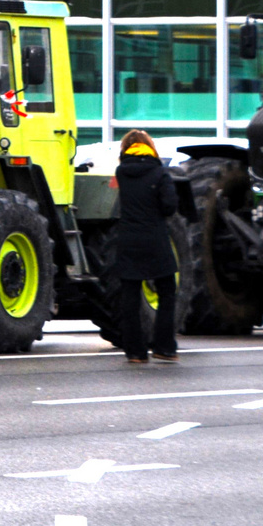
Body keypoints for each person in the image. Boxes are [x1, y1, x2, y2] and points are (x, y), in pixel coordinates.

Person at [112, 130, 180, 365]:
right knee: (167, 291)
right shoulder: (160, 173)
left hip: (129, 239)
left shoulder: (121, 172)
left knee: (130, 296)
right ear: (149, 148)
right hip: (155, 239)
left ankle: (135, 352)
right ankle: (164, 347)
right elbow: (170, 206)